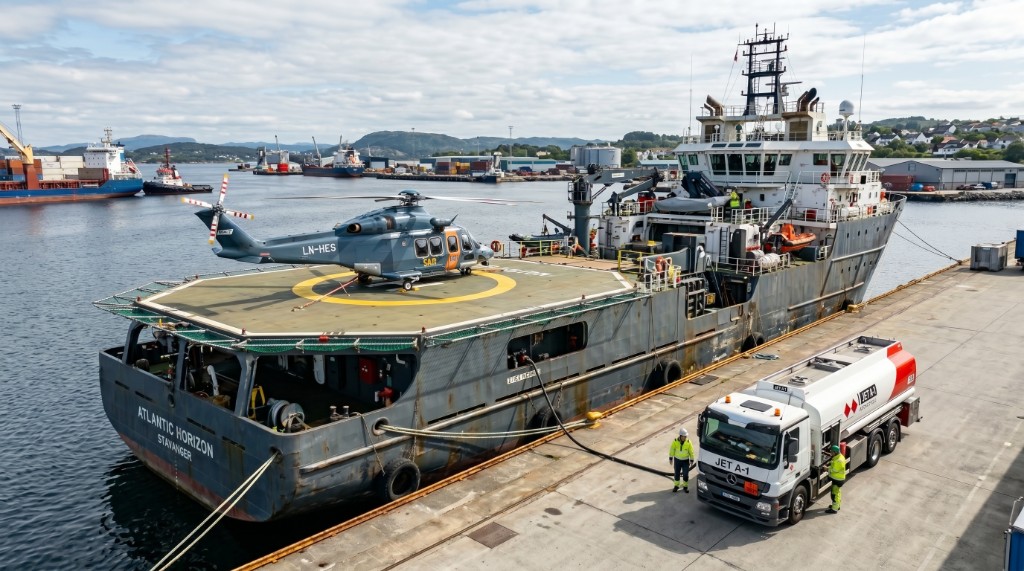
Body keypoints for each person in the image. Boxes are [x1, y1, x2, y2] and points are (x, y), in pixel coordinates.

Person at [669, 427, 696, 493]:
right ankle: (676, 486)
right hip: (677, 460)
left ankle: (685, 486)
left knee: (685, 474)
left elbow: (691, 451)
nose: (685, 438)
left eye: (685, 436)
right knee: (677, 473)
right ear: (680, 436)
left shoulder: (688, 442)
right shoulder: (675, 441)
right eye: (684, 436)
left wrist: (692, 459)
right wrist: (670, 458)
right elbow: (672, 449)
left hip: (685, 461)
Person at [826, 444, 847, 513]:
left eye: (832, 452)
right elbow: (834, 463)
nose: (831, 453)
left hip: (837, 479)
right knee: (837, 492)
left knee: (834, 494)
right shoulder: (839, 457)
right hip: (839, 479)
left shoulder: (839, 461)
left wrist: (826, 468)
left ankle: (834, 509)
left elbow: (834, 470)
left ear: (835, 452)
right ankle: (837, 506)